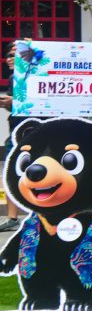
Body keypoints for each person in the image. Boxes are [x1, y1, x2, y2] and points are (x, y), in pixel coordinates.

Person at [0, 45, 22, 232]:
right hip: (15, 130)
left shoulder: (36, 77)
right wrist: (8, 104)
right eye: (9, 55)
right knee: (10, 172)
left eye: (15, 55)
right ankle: (12, 218)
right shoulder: (12, 78)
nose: (10, 58)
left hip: (35, 131)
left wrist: (13, 102)